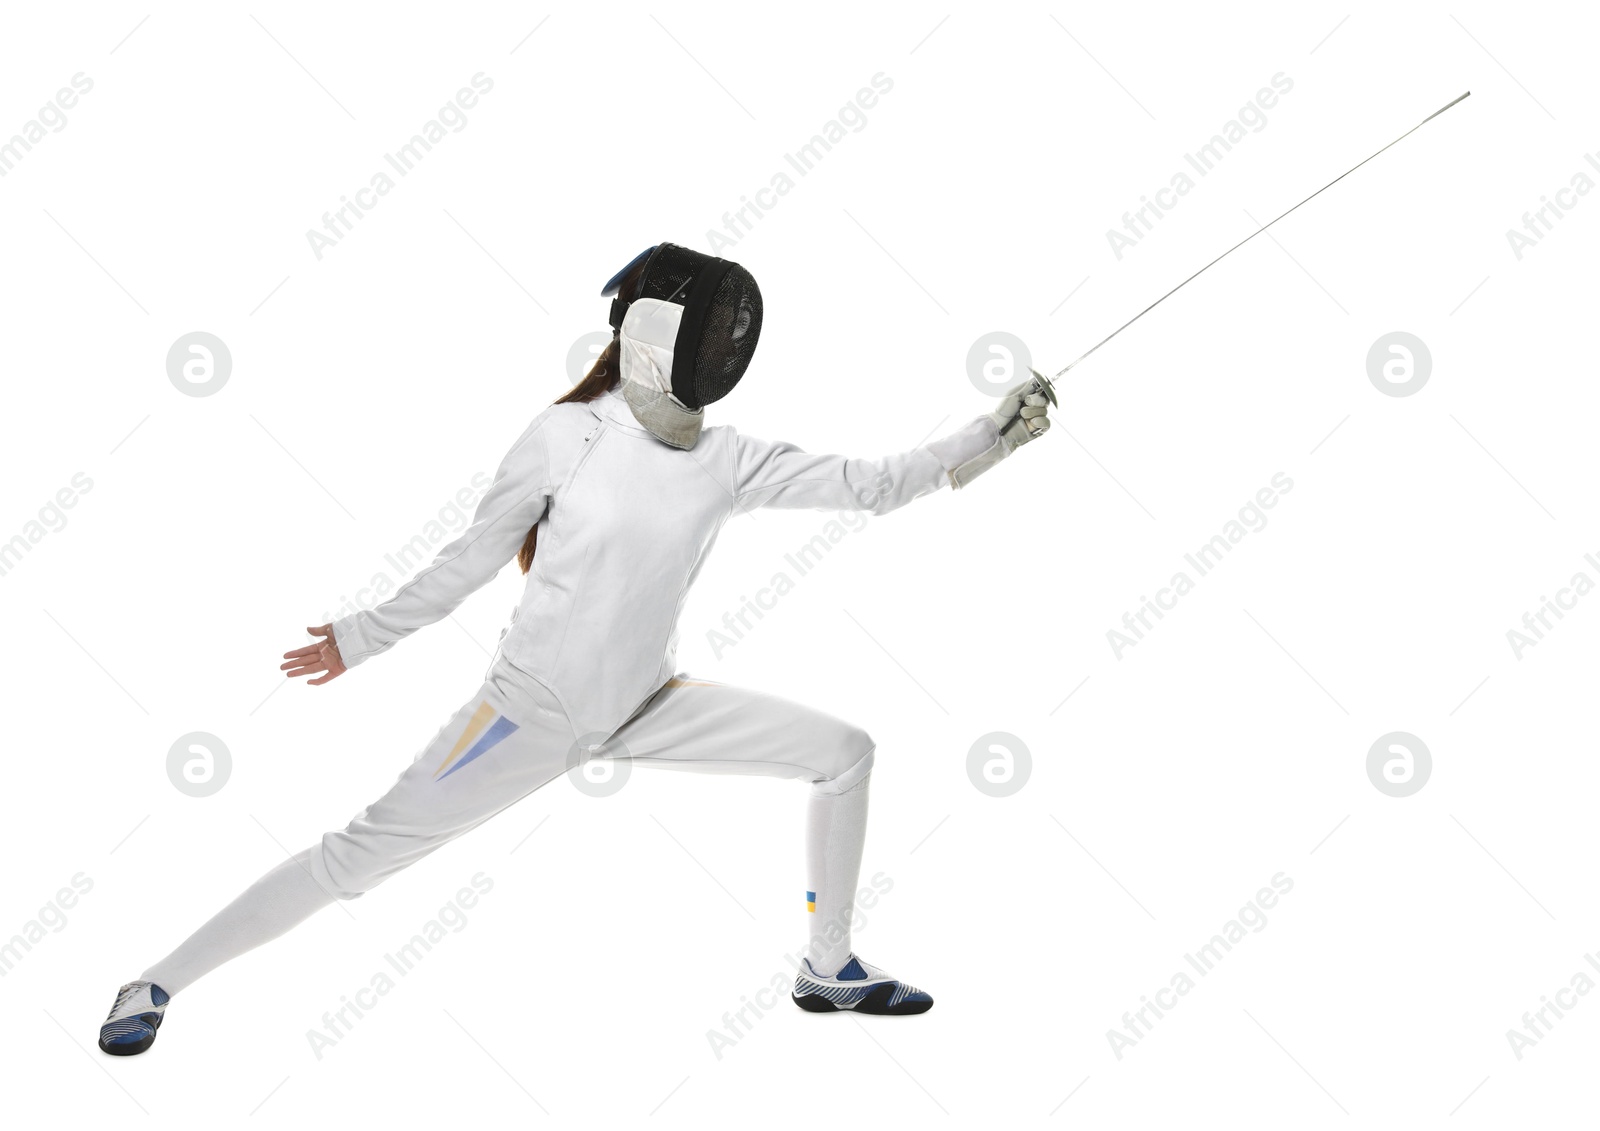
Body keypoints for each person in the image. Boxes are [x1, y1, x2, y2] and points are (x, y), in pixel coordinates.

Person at [97, 242, 1052, 1055]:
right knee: (357, 859)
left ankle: (828, 967)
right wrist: (360, 636)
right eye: (707, 330)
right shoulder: (567, 436)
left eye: (730, 334)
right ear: (651, 341)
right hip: (525, 713)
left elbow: (872, 484)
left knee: (845, 753)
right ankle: (155, 983)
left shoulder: (728, 459)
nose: (722, 348)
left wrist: (989, 437)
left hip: (646, 703)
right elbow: (466, 560)